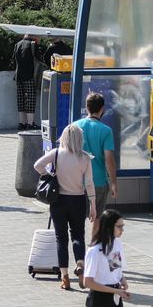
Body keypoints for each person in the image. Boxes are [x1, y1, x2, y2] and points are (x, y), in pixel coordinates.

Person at [32, 122, 94, 290]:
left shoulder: (57, 153)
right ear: (80, 139)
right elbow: (89, 183)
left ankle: (65, 278)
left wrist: (49, 174)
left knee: (61, 238)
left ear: (64, 138)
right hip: (78, 200)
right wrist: (93, 206)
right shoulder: (85, 157)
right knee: (78, 236)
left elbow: (37, 165)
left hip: (59, 200)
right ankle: (80, 264)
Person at [73, 93, 118, 215]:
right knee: (97, 218)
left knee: (77, 219)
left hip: (76, 182)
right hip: (98, 182)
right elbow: (109, 160)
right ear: (102, 109)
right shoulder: (106, 130)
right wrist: (113, 183)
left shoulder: (74, 127)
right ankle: (95, 235)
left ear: (87, 108)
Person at [11, 33, 40, 129]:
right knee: (30, 99)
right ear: (33, 36)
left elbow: (13, 60)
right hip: (29, 76)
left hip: (18, 76)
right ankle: (30, 124)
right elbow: (39, 59)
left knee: (21, 99)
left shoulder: (17, 44)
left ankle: (22, 123)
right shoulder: (32, 44)